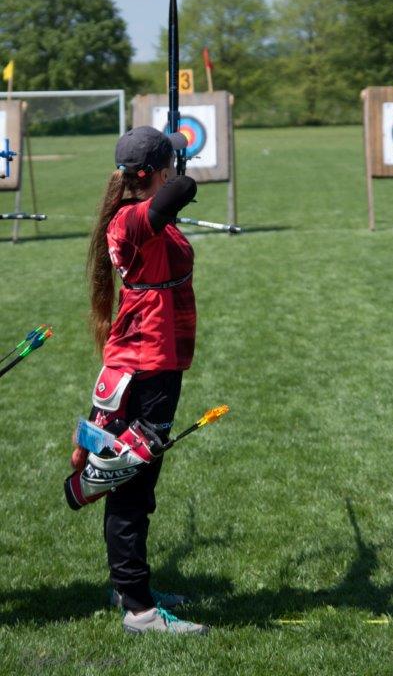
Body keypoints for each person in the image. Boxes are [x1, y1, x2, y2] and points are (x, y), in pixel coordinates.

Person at [85, 125, 209, 636]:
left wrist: (167, 152)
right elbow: (184, 187)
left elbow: (171, 191)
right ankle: (138, 608)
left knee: (140, 484)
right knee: (132, 486)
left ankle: (130, 587)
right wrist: (171, 167)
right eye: (165, 166)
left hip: (157, 357)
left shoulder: (144, 214)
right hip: (146, 363)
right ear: (154, 174)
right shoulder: (133, 219)